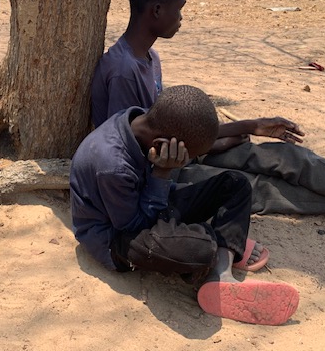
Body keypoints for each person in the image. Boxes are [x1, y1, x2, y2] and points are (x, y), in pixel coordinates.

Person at [91, 0, 325, 218]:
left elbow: (171, 125)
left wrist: (246, 128)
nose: (182, 17)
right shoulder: (123, 71)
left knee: (289, 157)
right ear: (157, 10)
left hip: (189, 152)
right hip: (166, 170)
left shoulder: (150, 58)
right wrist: (214, 144)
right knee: (262, 189)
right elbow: (142, 151)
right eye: (179, 8)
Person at [70, 85, 299, 325]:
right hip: (116, 236)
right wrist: (162, 171)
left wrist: (249, 126)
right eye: (186, 156)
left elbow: (191, 131)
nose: (187, 161)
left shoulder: (142, 119)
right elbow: (132, 225)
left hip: (148, 201)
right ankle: (222, 250)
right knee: (200, 248)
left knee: (235, 184)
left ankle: (221, 270)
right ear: (162, 145)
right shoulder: (113, 166)